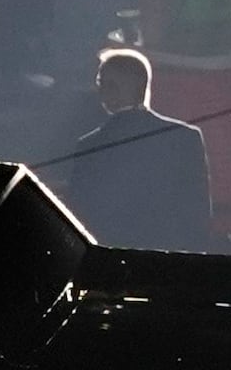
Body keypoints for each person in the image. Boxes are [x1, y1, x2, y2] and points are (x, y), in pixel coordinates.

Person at [80, 46, 214, 247]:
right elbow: (199, 214)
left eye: (102, 83)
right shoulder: (185, 138)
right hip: (173, 262)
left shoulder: (90, 146)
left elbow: (81, 218)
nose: (99, 90)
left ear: (113, 88)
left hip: (115, 264)